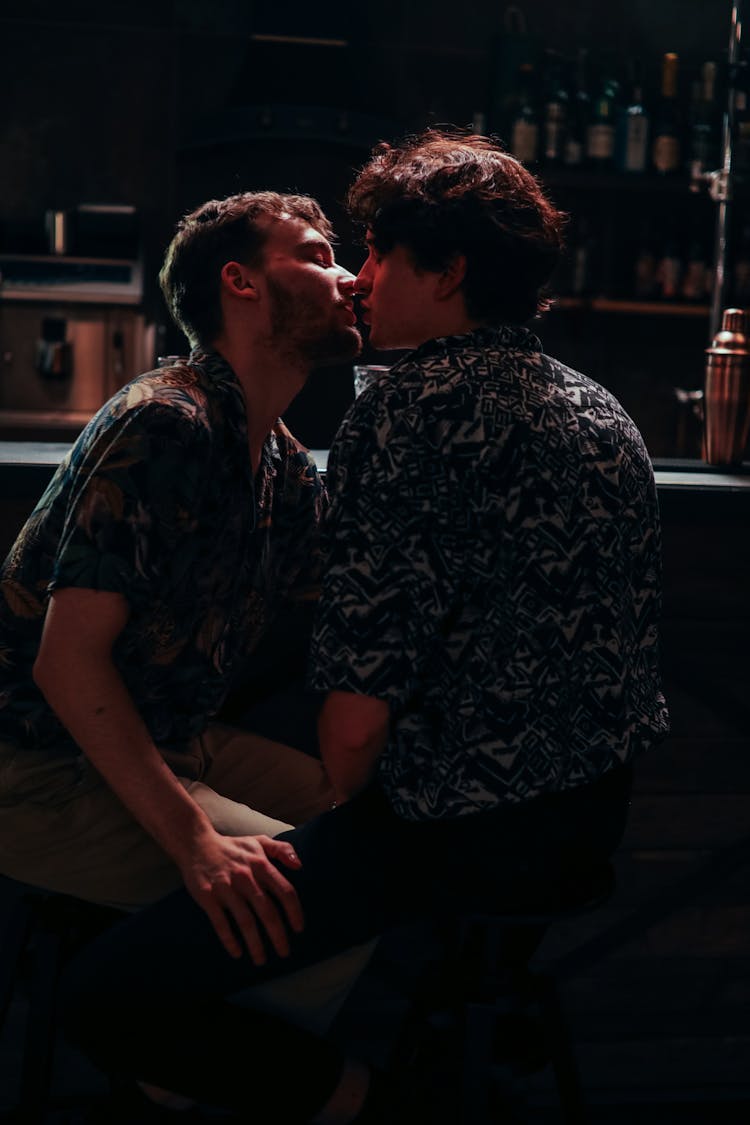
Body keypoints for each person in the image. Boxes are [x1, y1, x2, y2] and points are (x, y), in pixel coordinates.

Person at [59, 131, 670, 1124]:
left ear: (450, 270)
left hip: (450, 836)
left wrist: (342, 808)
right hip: (587, 824)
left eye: (380, 252)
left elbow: (350, 738)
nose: (362, 276)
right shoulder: (605, 411)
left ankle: (386, 1107)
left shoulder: (410, 412)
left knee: (108, 996)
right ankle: (445, 1052)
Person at [0, 189, 378, 1023]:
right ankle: (188, 1081)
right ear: (240, 283)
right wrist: (196, 845)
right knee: (324, 907)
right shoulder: (166, 422)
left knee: (374, 842)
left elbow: (344, 606)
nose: (350, 278)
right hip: (33, 767)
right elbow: (65, 663)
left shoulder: (281, 461)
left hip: (172, 741)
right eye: (317, 255)